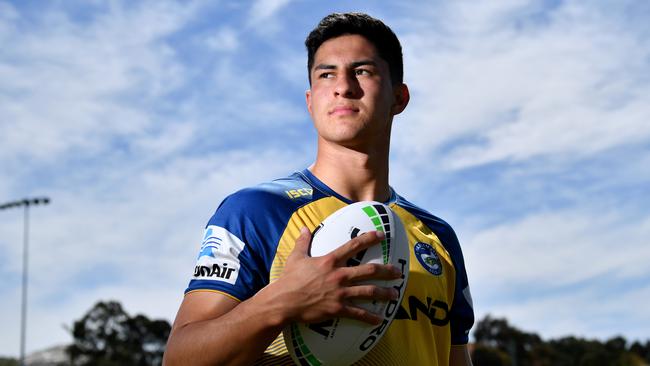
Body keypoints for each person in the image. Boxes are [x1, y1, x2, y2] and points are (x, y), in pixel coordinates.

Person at [163, 12, 474, 366]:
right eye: (327, 74)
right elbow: (179, 358)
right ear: (311, 102)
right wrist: (282, 301)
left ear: (398, 98)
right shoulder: (257, 210)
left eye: (363, 71)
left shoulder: (439, 236)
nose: (343, 85)